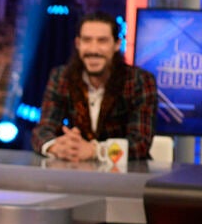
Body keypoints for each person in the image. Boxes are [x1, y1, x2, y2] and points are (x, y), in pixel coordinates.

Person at [31, 11, 156, 162]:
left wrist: (95, 151)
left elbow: (140, 143)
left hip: (126, 173)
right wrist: (57, 147)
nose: (93, 49)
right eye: (87, 40)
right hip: (74, 171)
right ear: (78, 44)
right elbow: (42, 131)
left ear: (117, 44)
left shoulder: (140, 81)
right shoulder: (61, 77)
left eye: (102, 41)